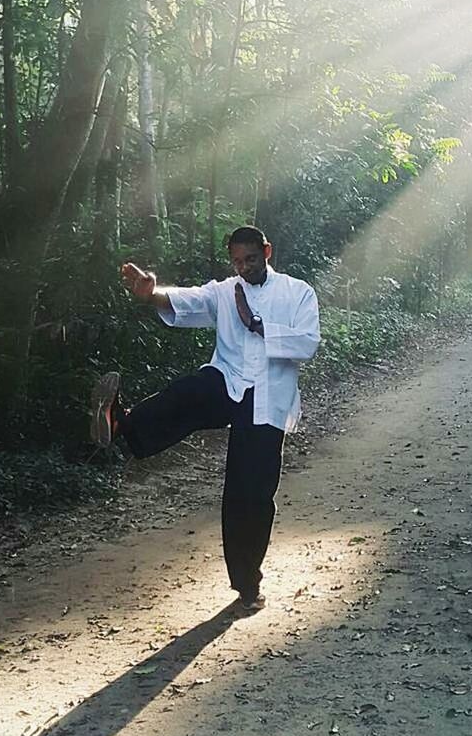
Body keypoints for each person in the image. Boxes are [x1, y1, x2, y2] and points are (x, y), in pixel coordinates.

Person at [89, 226, 321, 611]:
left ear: (267, 251)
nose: (244, 268)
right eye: (237, 261)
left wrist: (257, 324)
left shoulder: (298, 292)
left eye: (250, 259)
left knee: (249, 494)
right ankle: (123, 423)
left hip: (267, 400)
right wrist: (153, 293)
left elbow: (308, 343)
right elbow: (191, 301)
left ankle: (248, 585)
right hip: (228, 381)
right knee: (189, 391)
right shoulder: (226, 291)